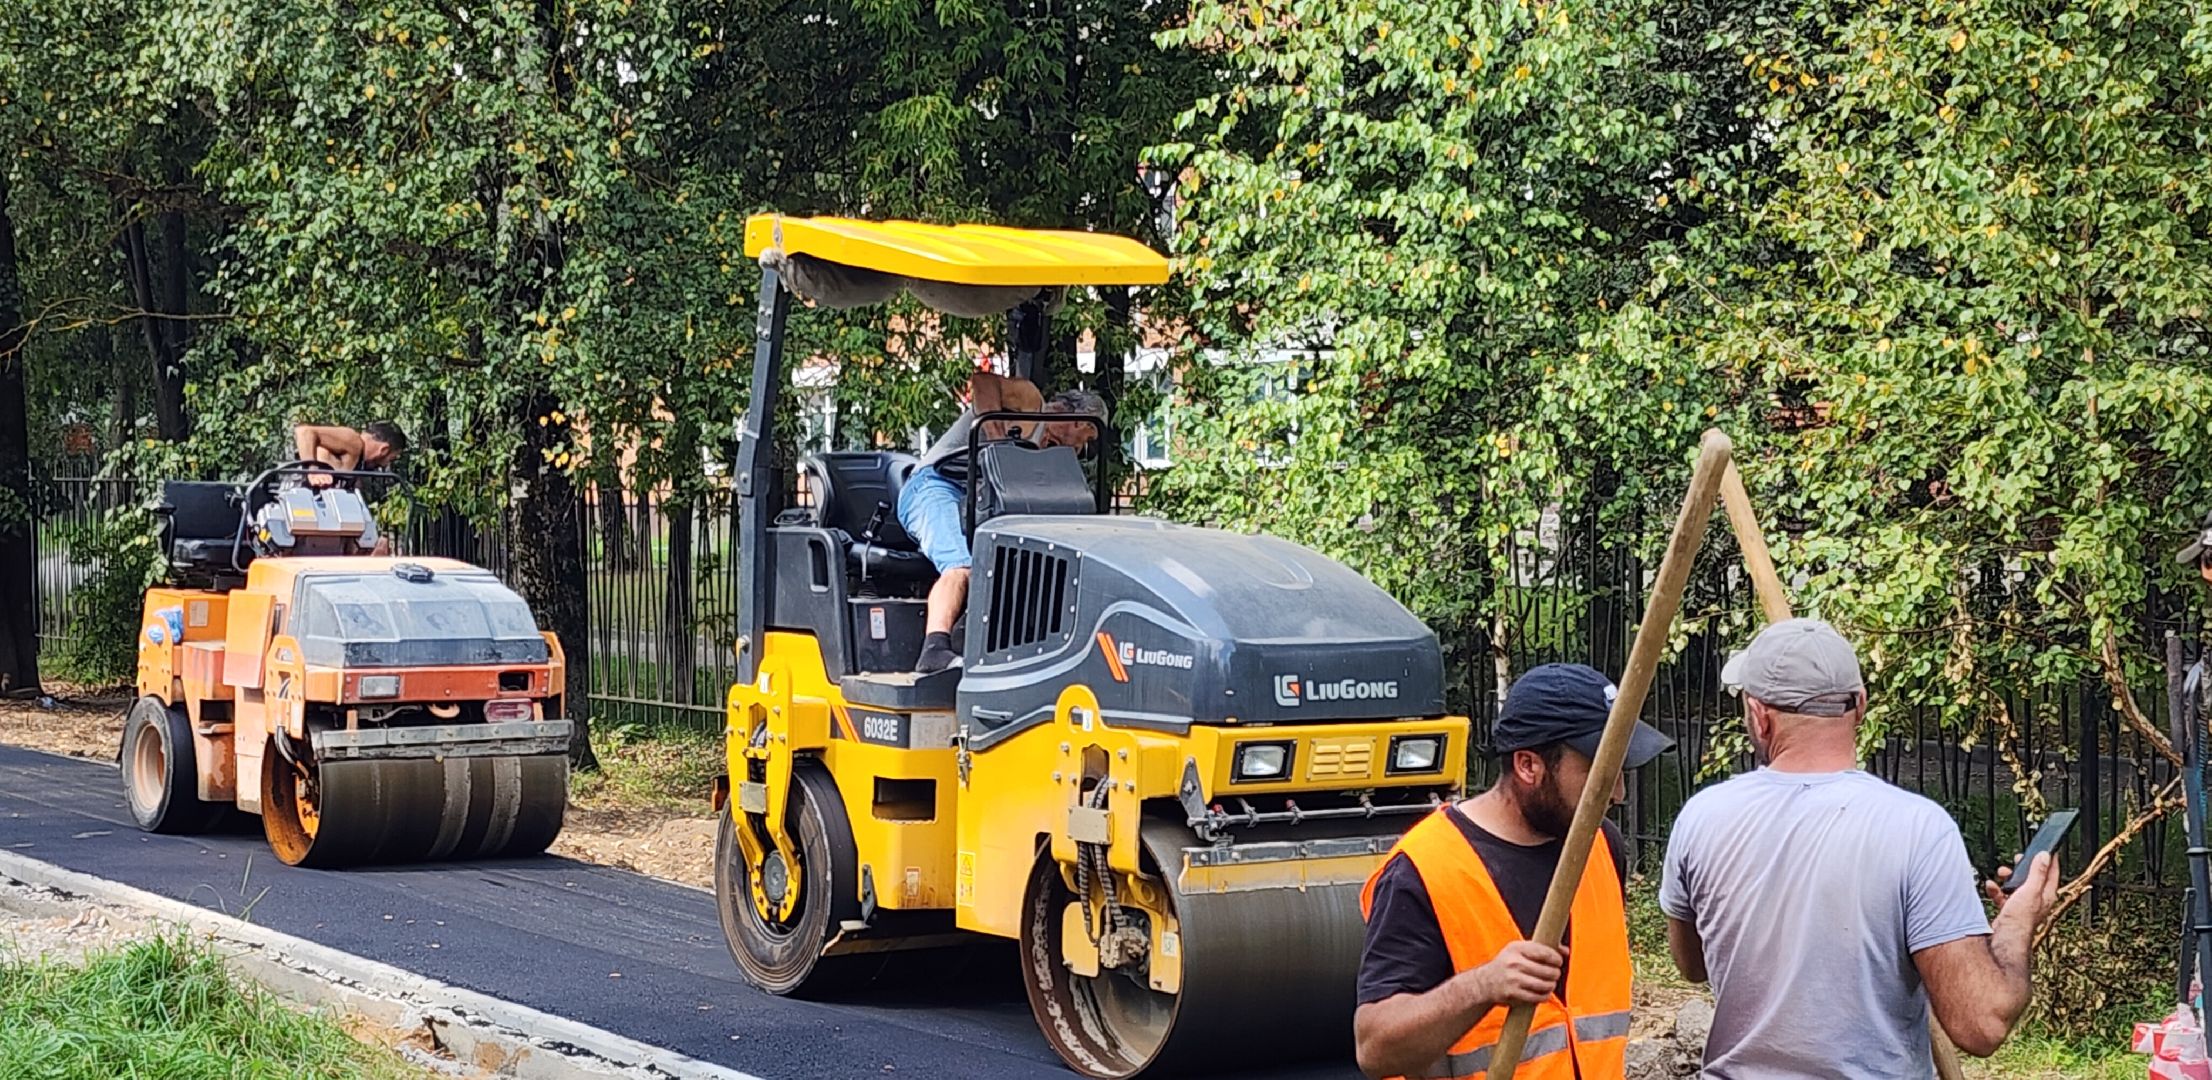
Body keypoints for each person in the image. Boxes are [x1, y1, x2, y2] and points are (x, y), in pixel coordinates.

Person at [1660, 618, 2059, 1076]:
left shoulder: (1701, 817)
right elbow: (1981, 1023)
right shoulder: (1916, 829)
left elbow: (1692, 964)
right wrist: (2016, 922)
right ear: (1861, 705)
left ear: (1759, 715)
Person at [1355, 662, 1673, 1080]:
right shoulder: (1425, 869)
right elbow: (1375, 1049)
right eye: (1600, 773)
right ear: (1528, 765)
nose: (1618, 794)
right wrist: (1482, 986)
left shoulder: (1601, 846)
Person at [896, 373, 1106, 674]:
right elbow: (982, 382)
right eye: (1087, 440)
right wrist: (996, 440)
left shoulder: (1043, 453)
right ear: (1079, 422)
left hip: (977, 498)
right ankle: (934, 650)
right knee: (961, 565)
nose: (1081, 449)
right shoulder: (1031, 401)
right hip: (935, 485)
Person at [293, 421, 408, 475]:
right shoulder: (354, 442)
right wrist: (312, 471)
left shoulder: (359, 463)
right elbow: (304, 432)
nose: (385, 465)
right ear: (384, 450)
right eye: (391, 459)